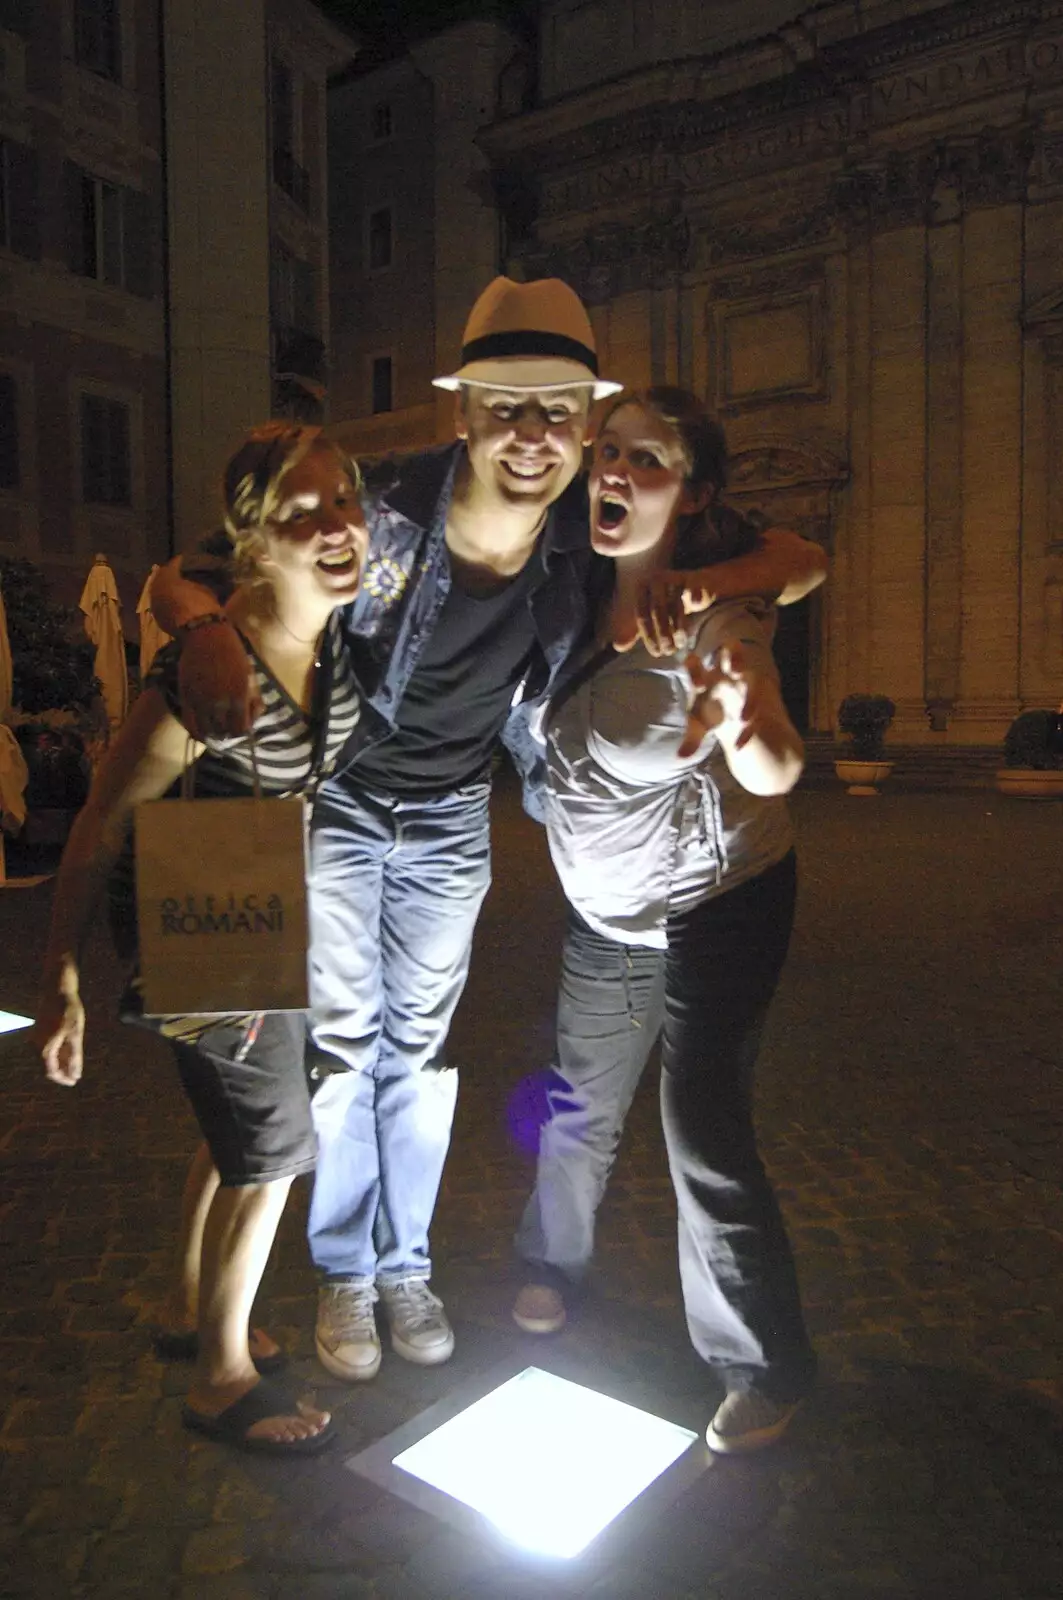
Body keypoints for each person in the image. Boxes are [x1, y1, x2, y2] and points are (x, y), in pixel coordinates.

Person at [150, 278, 828, 1384]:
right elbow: (189, 567)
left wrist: (709, 582)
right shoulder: (375, 501)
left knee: (415, 1058)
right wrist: (201, 633)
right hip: (340, 805)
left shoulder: (581, 526)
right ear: (460, 410)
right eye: (505, 405)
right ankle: (343, 1279)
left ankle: (404, 1267)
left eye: (560, 409)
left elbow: (797, 557)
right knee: (342, 1054)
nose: (534, 433)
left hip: (454, 818)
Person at [36, 422, 367, 1455]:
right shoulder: (203, 672)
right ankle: (223, 1377)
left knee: (235, 1135)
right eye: (303, 510)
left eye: (344, 500)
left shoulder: (331, 645)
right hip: (201, 924)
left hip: (260, 906)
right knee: (273, 1150)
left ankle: (191, 1311)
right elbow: (101, 815)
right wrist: (63, 976)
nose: (338, 524)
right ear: (254, 538)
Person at [512, 387, 817, 1456]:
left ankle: (759, 1365)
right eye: (608, 451)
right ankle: (551, 1263)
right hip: (603, 911)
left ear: (692, 496)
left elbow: (773, 754)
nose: (610, 469)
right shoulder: (561, 581)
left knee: (702, 1129)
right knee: (572, 1108)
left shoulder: (719, 616)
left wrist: (743, 719)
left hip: (715, 902)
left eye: (646, 458)